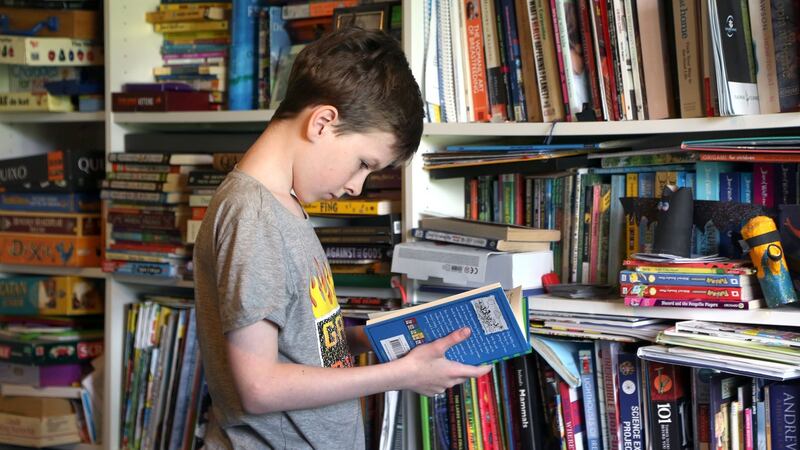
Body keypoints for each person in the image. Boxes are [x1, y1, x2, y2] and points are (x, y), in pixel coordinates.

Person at [193, 27, 492, 449]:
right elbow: (259, 387)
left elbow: (296, 344)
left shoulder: (283, 207)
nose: (357, 186)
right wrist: (404, 375)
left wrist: (367, 336)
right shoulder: (254, 216)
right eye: (363, 164)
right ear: (322, 122)